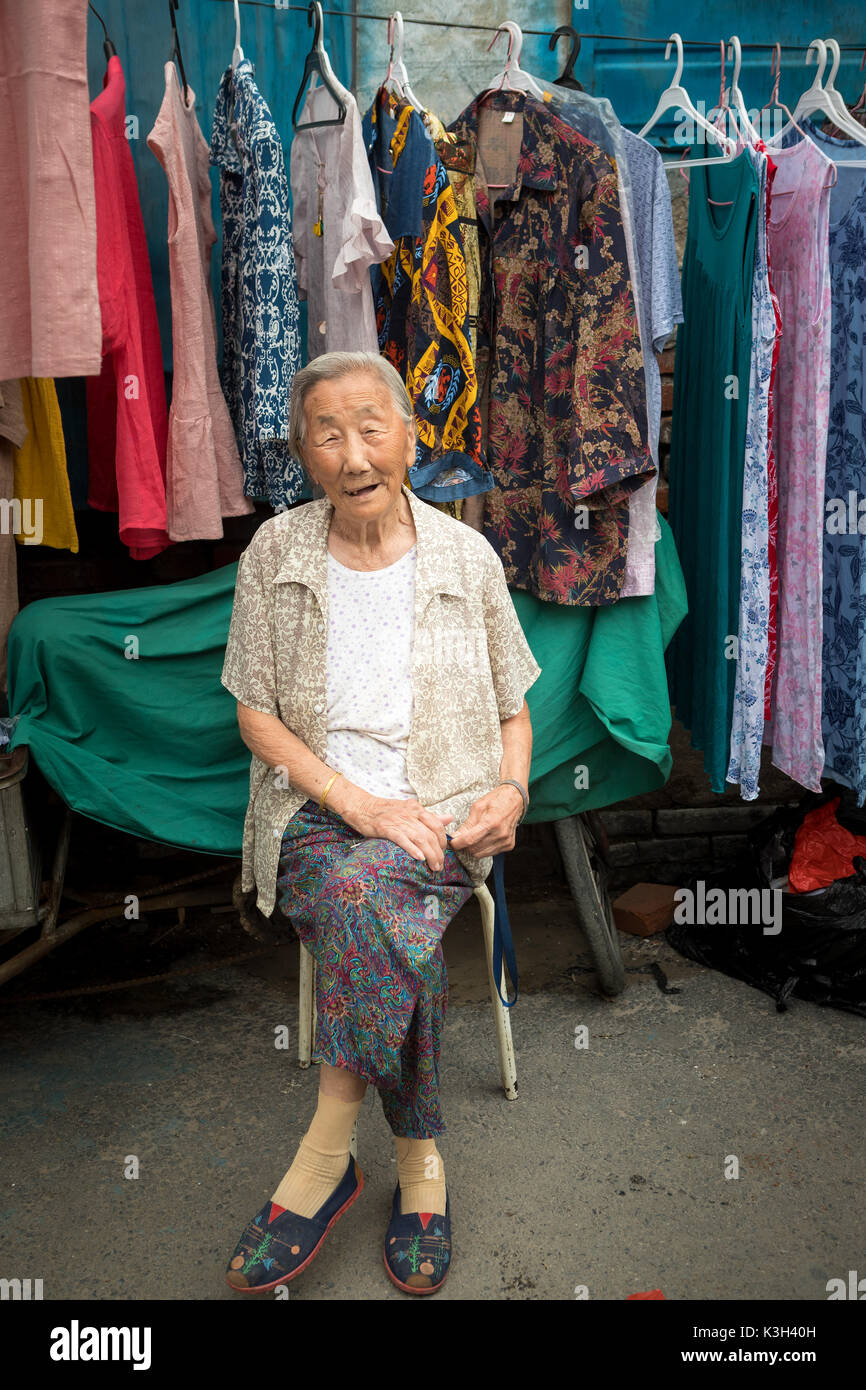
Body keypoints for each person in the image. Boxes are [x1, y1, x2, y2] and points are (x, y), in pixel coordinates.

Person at [221, 350, 540, 1294]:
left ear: (409, 437)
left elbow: (514, 706)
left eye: (372, 428)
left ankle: (325, 1165)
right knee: (371, 895)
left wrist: (512, 793)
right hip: (318, 815)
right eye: (328, 433)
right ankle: (416, 1165)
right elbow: (254, 712)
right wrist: (356, 802)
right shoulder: (274, 553)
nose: (353, 453)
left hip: (443, 817)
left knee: (380, 896)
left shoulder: (463, 555)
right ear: (304, 452)